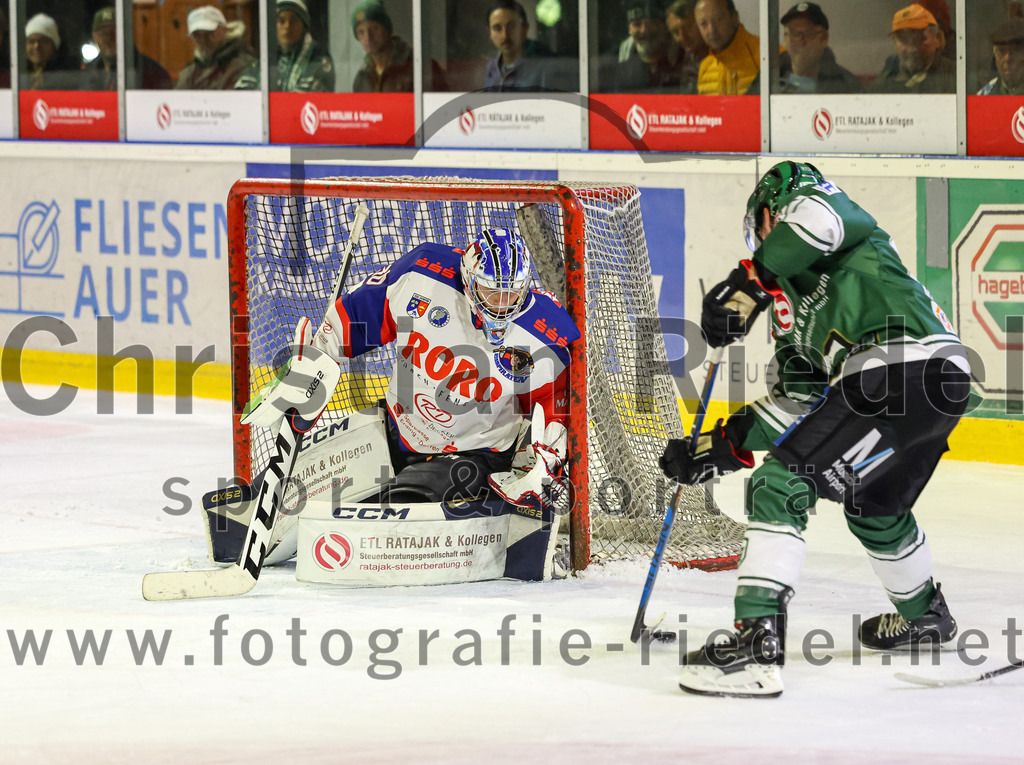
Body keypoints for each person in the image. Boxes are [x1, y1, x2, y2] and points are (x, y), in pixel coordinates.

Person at [661, 161, 970, 698]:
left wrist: (747, 284)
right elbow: (797, 402)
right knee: (876, 506)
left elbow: (818, 218)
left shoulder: (836, 222)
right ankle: (926, 616)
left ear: (769, 215)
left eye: (763, 231)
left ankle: (756, 644)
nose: (764, 243)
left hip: (899, 371)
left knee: (778, 486)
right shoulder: (792, 310)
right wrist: (724, 444)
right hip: (934, 387)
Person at [243, 228, 579, 512]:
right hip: (395, 428)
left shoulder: (544, 333)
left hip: (475, 454)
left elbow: (556, 399)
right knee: (285, 490)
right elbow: (358, 318)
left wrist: (547, 457)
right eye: (491, 292)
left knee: (395, 504)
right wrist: (314, 365)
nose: (501, 305)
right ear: (468, 277)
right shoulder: (422, 274)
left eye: (511, 294)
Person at [237, 0, 334, 91]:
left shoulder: (318, 58)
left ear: (304, 26)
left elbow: (307, 103)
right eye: (281, 21)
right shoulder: (266, 58)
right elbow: (243, 98)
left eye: (294, 20)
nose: (287, 26)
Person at [80, 7, 172, 91]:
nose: (109, 39)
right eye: (103, 34)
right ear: (94, 36)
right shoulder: (89, 71)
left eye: (114, 33)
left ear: (125, 35)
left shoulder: (152, 72)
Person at [869, 3, 954, 94]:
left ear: (937, 39)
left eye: (920, 38)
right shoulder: (882, 83)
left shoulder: (955, 78)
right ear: (894, 42)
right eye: (903, 39)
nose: (912, 49)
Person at [778, 2, 861, 94]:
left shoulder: (847, 85)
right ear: (785, 39)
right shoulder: (769, 79)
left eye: (808, 33)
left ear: (824, 39)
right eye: (793, 33)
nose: (800, 40)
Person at [483, 0, 563, 92]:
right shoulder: (491, 67)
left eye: (512, 26)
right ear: (489, 33)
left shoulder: (545, 66)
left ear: (525, 28)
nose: (505, 35)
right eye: (497, 28)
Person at [176, 5, 256, 90]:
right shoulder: (190, 73)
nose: (203, 40)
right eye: (197, 35)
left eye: (210, 33)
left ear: (224, 30)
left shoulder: (245, 65)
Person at [613, 0, 682, 93]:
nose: (644, 31)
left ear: (665, 26)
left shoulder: (684, 63)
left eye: (652, 23)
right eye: (637, 24)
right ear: (629, 29)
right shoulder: (623, 71)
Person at [694, 0, 759, 95]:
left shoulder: (764, 54)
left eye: (718, 19)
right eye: (703, 24)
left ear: (735, 18)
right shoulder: (705, 67)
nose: (711, 30)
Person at [351, 0, 412, 92]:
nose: (368, 37)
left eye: (374, 28)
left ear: (387, 29)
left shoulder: (415, 65)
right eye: (361, 32)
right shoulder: (362, 78)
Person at [23, 13, 77, 90]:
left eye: (43, 41)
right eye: (31, 41)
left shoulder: (67, 79)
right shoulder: (17, 74)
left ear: (54, 45)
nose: (37, 46)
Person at [666, 0, 708, 94]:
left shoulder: (721, 57)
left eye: (688, 27)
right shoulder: (679, 62)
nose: (683, 37)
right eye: (676, 32)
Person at [979, 18, 1024, 95]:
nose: (1007, 58)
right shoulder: (986, 94)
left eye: (1014, 51)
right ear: (994, 55)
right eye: (1001, 51)